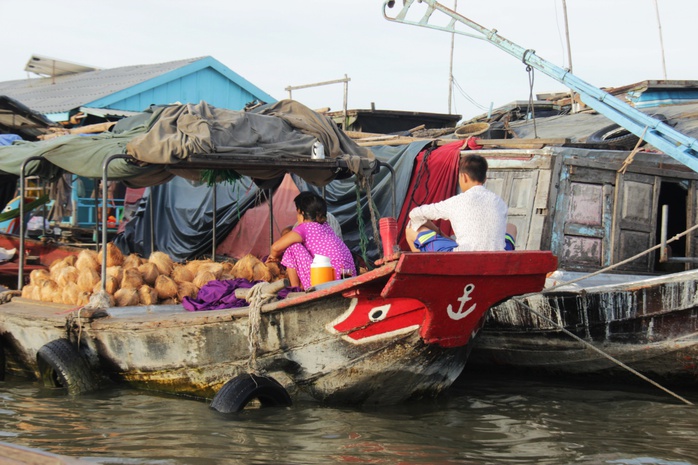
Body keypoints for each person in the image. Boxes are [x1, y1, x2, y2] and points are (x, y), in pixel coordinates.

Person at [405, 153, 508, 252]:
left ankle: (421, 269)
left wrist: (439, 232)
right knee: (511, 227)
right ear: (485, 179)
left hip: (463, 259)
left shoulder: (456, 202)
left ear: (464, 177)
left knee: (410, 229)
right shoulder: (499, 202)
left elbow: (414, 214)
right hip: (496, 257)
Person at [266, 192, 355, 290]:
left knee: (292, 247)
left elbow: (275, 247)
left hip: (327, 279)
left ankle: (295, 290)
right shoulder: (327, 228)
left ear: (302, 213)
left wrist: (274, 257)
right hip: (348, 277)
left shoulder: (305, 228)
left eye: (297, 213)